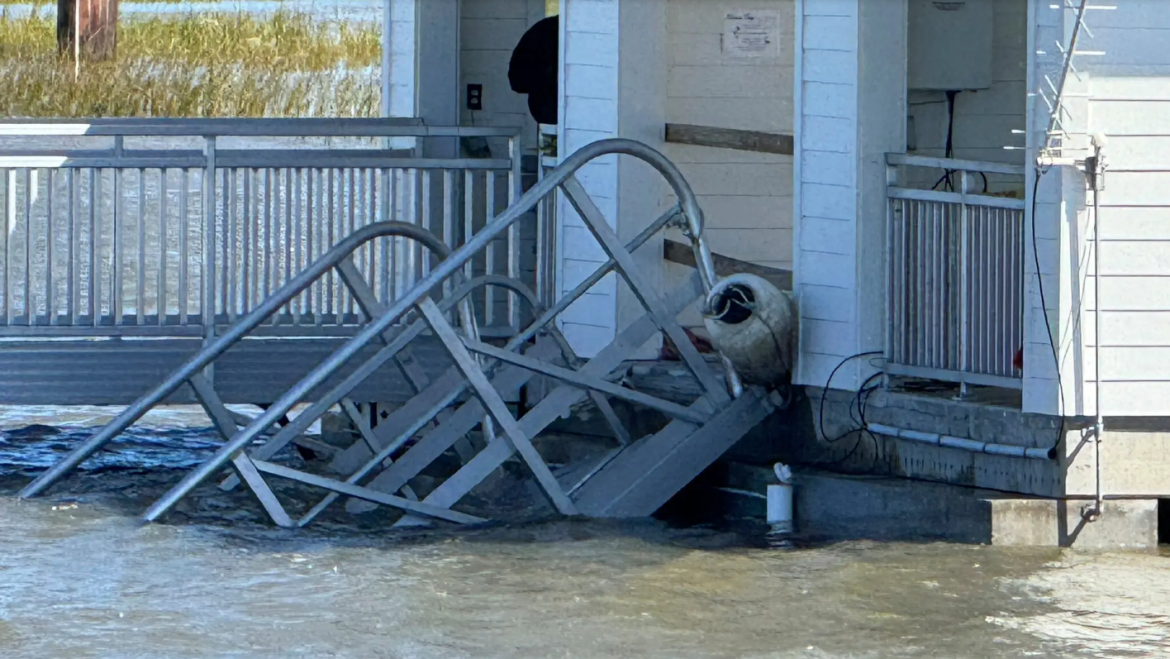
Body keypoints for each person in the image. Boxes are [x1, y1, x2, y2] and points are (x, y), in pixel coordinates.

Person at [508, 15, 558, 126]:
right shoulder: (546, 29)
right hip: (548, 111)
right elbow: (517, 80)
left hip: (548, 111)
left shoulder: (544, 28)